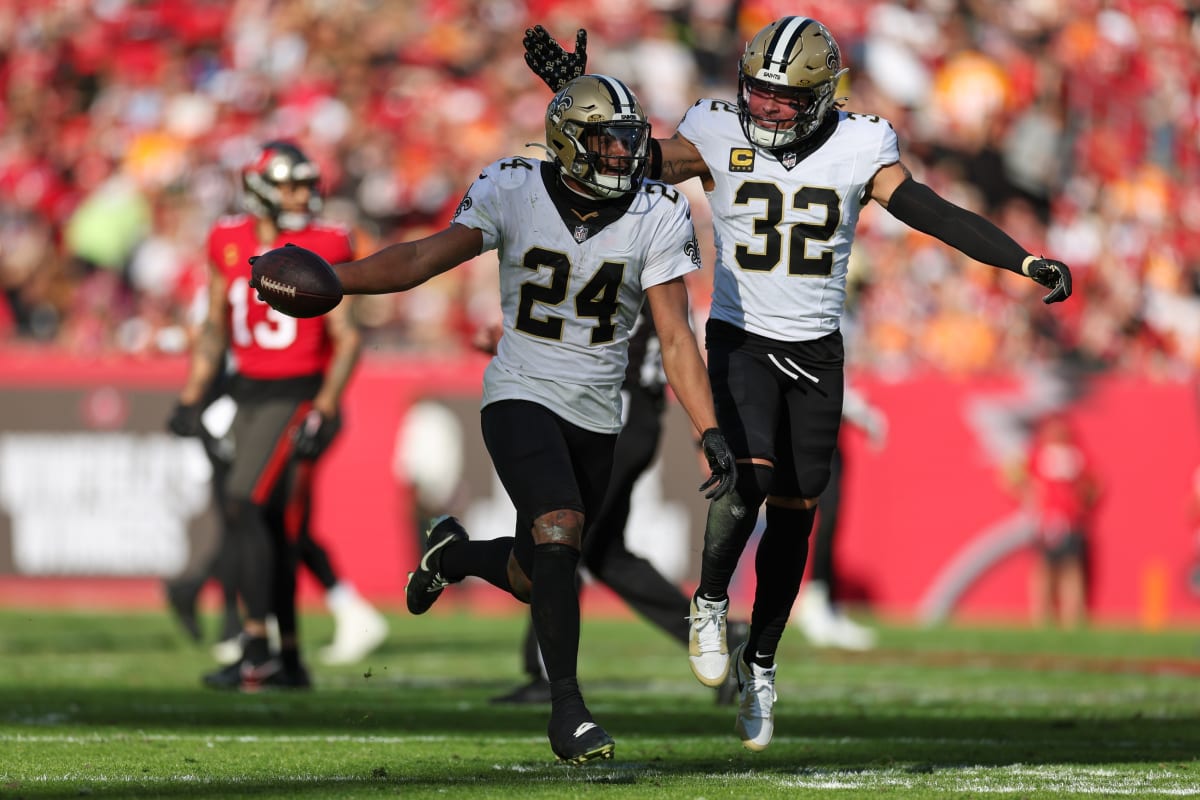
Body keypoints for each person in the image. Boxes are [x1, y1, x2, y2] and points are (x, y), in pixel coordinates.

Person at [524, 16, 1073, 751]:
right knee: (744, 483)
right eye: (758, 91)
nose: (767, 107)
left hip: (815, 352)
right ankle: (711, 602)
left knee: (794, 516)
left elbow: (932, 212)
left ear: (820, 96)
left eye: (784, 96)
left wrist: (1021, 260)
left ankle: (761, 660)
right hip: (740, 339)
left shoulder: (861, 144)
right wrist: (578, 100)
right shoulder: (716, 130)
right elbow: (640, 161)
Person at [253, 75, 736, 764]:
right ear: (570, 145)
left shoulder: (658, 209)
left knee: (534, 572)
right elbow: (422, 257)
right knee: (561, 528)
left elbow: (678, 336)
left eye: (629, 141)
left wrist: (707, 427)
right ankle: (567, 711)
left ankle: (449, 554)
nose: (624, 156)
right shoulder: (514, 186)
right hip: (520, 391)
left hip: (599, 412)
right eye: (606, 142)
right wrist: (340, 279)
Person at [167, 140, 370, 690]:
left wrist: (325, 406)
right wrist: (193, 394)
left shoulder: (326, 241)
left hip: (296, 392)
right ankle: (288, 656)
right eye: (292, 184)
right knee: (267, 522)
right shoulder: (226, 239)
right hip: (245, 393)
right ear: (261, 190)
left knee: (244, 504)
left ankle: (256, 647)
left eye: (308, 183)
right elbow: (213, 325)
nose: (305, 194)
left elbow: (347, 336)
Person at [483, 306, 746, 707]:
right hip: (637, 417)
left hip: (610, 413)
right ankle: (717, 634)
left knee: (560, 539)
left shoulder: (628, 255)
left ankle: (546, 673)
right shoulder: (661, 269)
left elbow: (579, 333)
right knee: (607, 557)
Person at [165, 371, 389, 668]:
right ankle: (266, 629)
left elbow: (341, 342)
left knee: (273, 522)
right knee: (263, 521)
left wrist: (322, 407)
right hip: (256, 410)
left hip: (290, 407)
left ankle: (267, 636)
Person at [795, 384, 887, 651]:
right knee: (808, 516)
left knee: (831, 519)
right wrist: (857, 409)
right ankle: (810, 601)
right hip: (804, 426)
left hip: (829, 431)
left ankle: (824, 602)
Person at [1018, 413, 1100, 628]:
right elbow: (1025, 483)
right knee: (1044, 570)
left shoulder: (1077, 456)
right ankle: (1040, 617)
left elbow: (1093, 485)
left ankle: (1071, 617)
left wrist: (1081, 500)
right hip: (1045, 521)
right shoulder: (1038, 455)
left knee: (1070, 570)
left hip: (1070, 521)